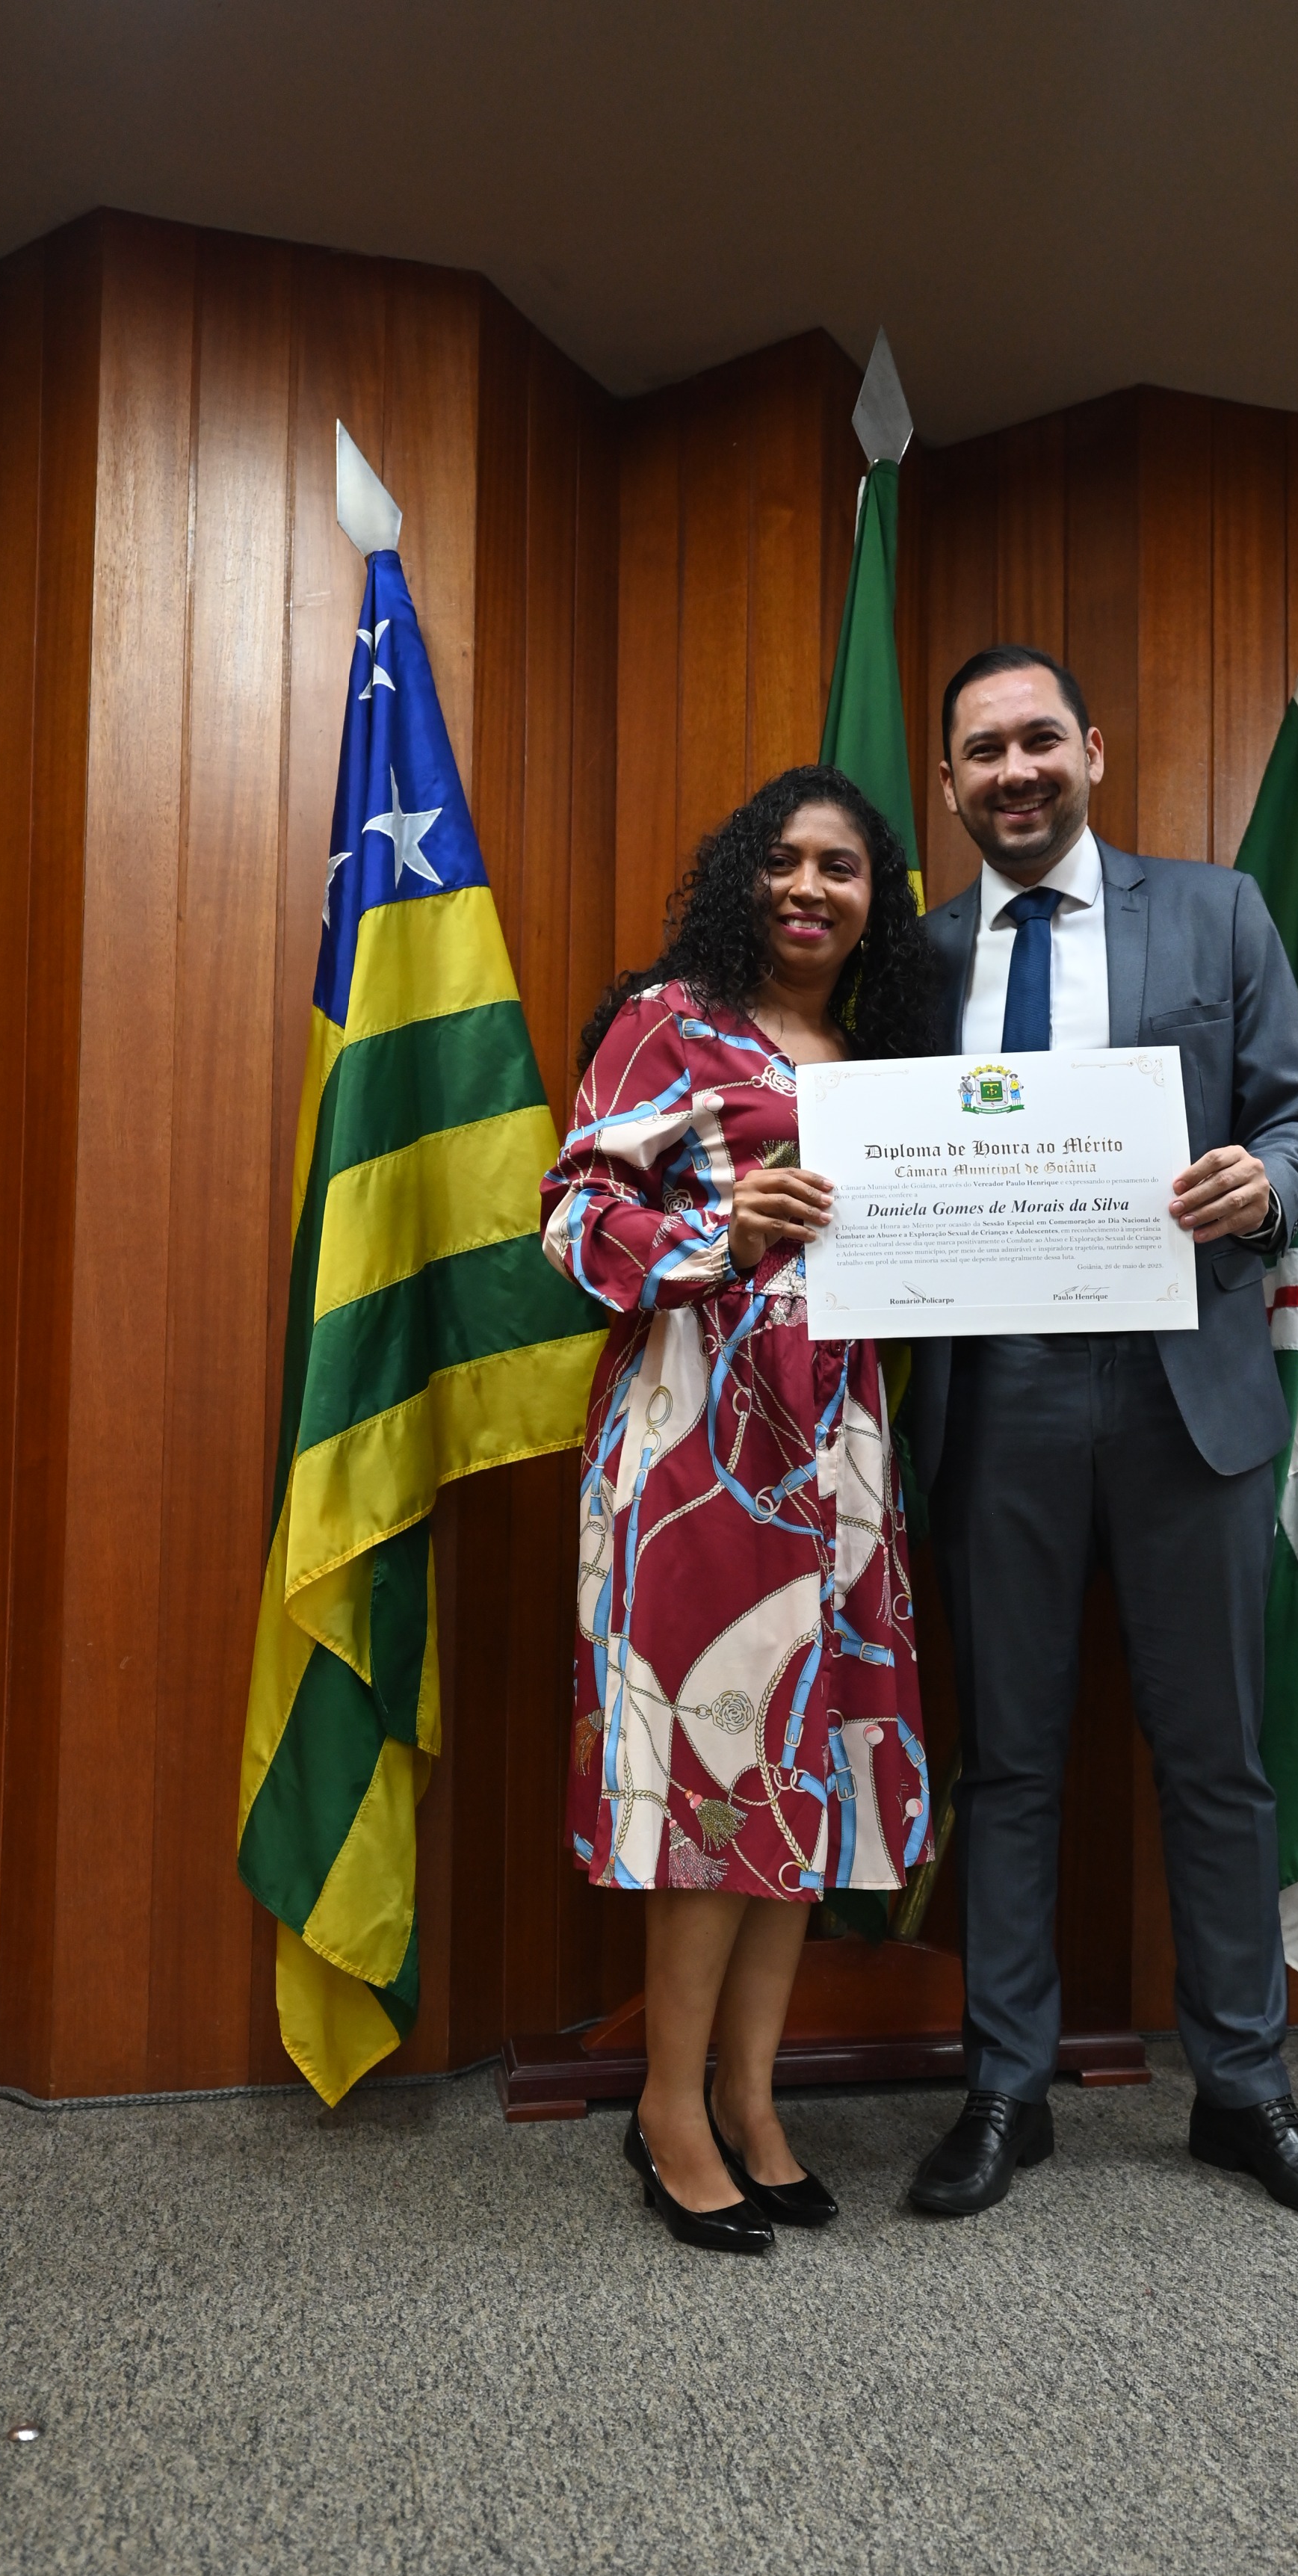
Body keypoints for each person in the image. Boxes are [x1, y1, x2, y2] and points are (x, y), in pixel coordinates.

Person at [903, 646, 1298, 2229]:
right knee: (1011, 1760)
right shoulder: (917, 956)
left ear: (1093, 751)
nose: (1015, 770)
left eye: (1039, 739)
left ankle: (1245, 2091)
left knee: (1216, 1759)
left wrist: (1266, 1185)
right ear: (951, 781)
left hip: (1191, 1394)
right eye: (983, 751)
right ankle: (1005, 2085)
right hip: (998, 1403)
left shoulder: (1216, 913)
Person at [543, 765, 937, 2255]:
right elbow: (572, 1218)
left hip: (841, 1447)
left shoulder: (883, 1059)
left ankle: (753, 2102)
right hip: (697, 1437)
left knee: (803, 1766)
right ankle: (668, 2109)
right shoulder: (671, 1022)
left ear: (874, 899)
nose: (808, 888)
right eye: (781, 860)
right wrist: (722, 1229)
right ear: (740, 878)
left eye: (840, 865)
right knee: (715, 1758)